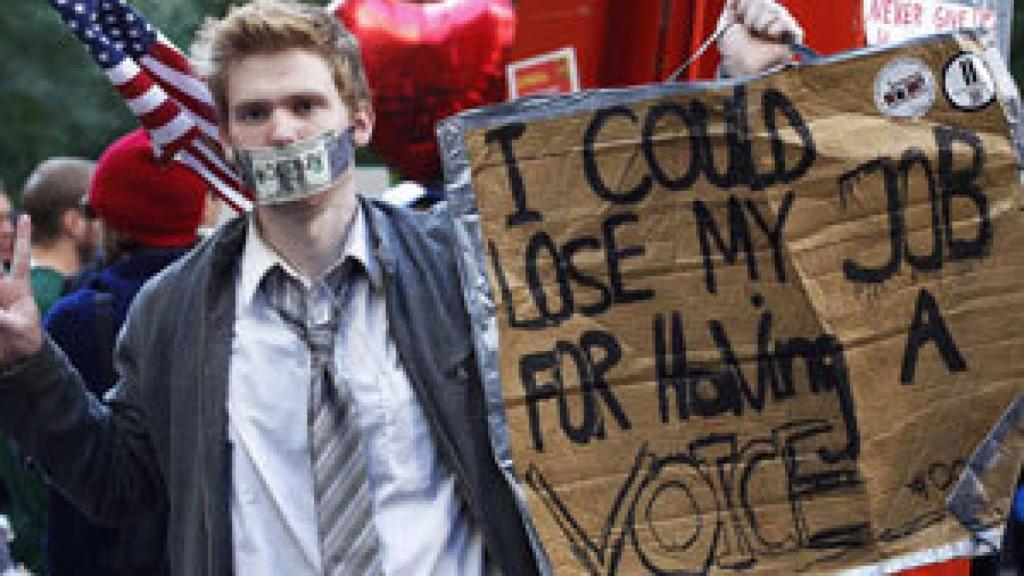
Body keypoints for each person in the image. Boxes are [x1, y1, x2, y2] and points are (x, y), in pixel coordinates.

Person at [0, 1, 802, 574]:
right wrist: (31, 361)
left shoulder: (469, 263)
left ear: (359, 120)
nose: (283, 130)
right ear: (228, 136)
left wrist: (742, 90)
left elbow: (658, 237)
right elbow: (119, 486)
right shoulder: (172, 311)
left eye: (306, 104)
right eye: (255, 112)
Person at [43, 129, 207, 576]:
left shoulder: (73, 317)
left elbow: (49, 451)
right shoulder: (234, 303)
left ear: (110, 219)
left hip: (98, 554)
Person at [20, 157, 99, 316]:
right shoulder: (60, 298)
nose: (107, 223)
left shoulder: (19, 289)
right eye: (98, 212)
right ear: (73, 223)